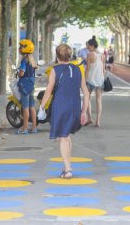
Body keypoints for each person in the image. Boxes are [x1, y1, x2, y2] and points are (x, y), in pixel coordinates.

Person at [40, 44, 89, 179]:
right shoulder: (79, 69)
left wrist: (42, 107)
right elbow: (86, 92)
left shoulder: (54, 70)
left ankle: (67, 169)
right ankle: (67, 165)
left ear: (57, 56)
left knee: (62, 137)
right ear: (70, 55)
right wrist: (84, 111)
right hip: (75, 107)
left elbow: (49, 90)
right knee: (67, 136)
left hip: (61, 106)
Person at [17, 39, 38, 134]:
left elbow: (21, 74)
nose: (19, 48)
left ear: (25, 49)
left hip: (24, 85)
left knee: (25, 107)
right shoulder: (32, 60)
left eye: (21, 47)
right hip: (31, 85)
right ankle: (34, 127)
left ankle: (24, 128)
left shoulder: (24, 61)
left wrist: (18, 73)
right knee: (32, 106)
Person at [85, 37, 105, 127]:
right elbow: (103, 69)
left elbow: (88, 68)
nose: (87, 47)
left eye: (88, 46)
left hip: (90, 80)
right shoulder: (102, 55)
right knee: (99, 100)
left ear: (92, 46)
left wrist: (84, 79)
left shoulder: (90, 55)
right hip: (100, 80)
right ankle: (98, 121)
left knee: (87, 98)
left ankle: (89, 118)